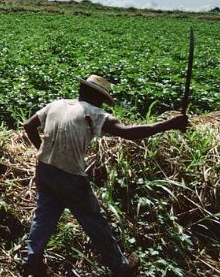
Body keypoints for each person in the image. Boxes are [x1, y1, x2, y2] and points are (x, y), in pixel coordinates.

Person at [21, 74, 188, 277]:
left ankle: (32, 260)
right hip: (71, 176)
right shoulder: (94, 113)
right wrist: (169, 124)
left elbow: (28, 125)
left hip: (45, 170)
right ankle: (120, 268)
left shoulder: (56, 105)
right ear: (95, 97)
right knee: (94, 222)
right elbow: (130, 133)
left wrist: (43, 150)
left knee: (44, 215)